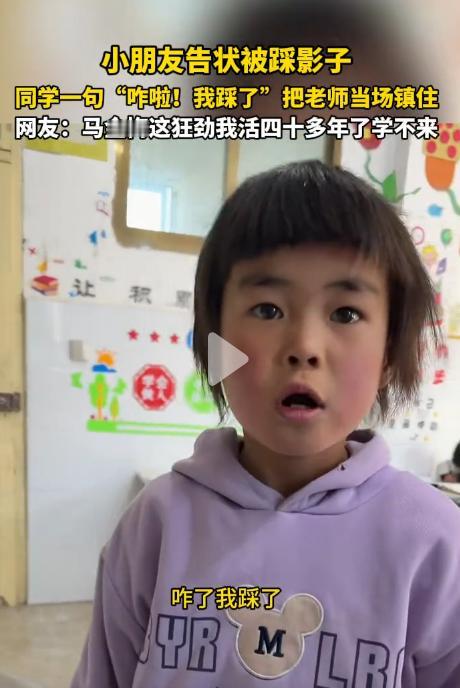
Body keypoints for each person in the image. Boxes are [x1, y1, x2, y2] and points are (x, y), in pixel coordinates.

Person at [71, 160, 460, 687]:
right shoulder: (156, 523)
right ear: (214, 343)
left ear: (388, 354)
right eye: (268, 310)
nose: (304, 347)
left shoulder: (435, 541)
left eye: (345, 313)